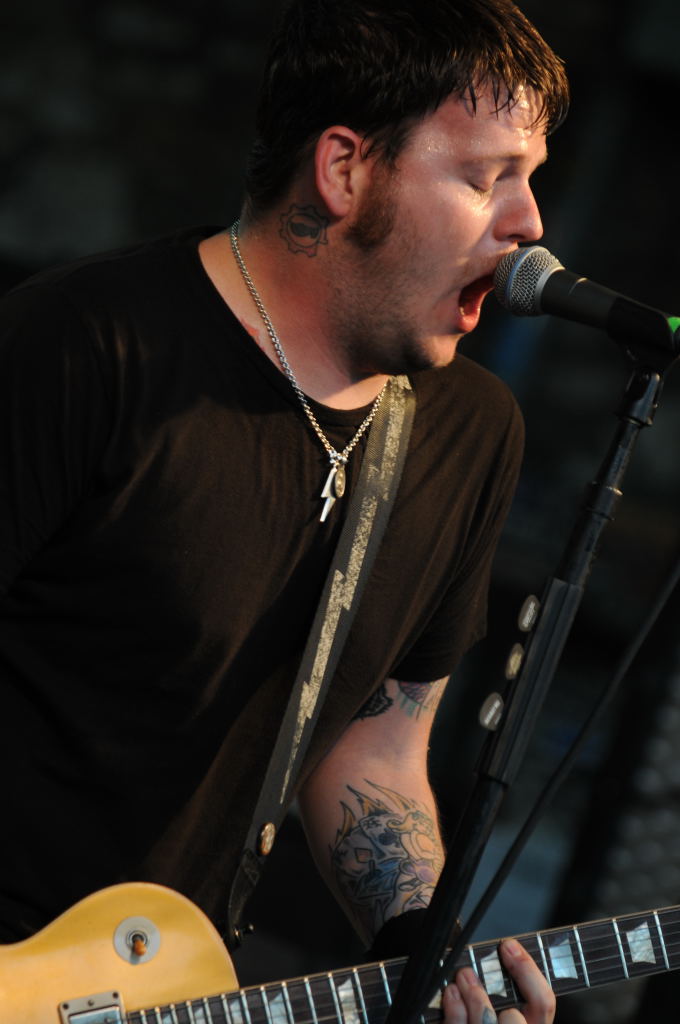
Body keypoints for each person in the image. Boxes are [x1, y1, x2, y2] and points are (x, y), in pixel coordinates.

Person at [0, 0, 569, 1020]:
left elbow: (376, 744)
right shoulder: (81, 347)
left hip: (174, 988)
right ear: (344, 169)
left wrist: (417, 946)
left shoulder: (469, 434)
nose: (529, 224)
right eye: (488, 176)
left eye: (532, 177)